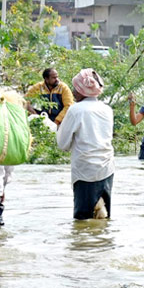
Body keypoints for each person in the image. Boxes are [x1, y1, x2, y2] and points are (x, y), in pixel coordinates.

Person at [56, 68, 115, 220]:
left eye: (75, 88)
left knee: (82, 220)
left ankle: (84, 244)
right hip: (106, 169)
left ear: (82, 90)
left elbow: (62, 143)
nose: (73, 92)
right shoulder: (107, 109)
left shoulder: (76, 110)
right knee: (103, 218)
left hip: (84, 171)